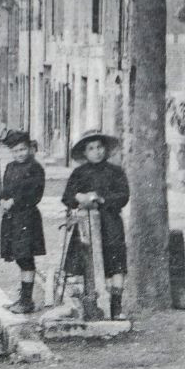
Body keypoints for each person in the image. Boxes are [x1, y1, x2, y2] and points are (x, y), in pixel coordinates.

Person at [62, 130, 130, 319]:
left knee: (115, 263)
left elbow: (123, 196)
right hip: (86, 226)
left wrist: (101, 199)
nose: (97, 152)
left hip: (111, 224)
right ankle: (90, 304)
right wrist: (79, 197)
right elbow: (67, 196)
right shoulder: (79, 173)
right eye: (91, 148)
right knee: (85, 262)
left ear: (105, 149)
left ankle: (116, 307)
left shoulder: (116, 172)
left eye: (100, 147)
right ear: (85, 153)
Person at [0, 130, 47, 314]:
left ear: (29, 149)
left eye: (23, 149)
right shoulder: (10, 167)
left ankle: (27, 300)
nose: (20, 154)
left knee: (25, 256)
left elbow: (34, 193)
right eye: (16, 151)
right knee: (18, 256)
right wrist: (3, 199)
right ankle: (23, 298)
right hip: (12, 219)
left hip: (27, 217)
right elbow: (6, 188)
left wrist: (15, 201)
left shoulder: (35, 169)